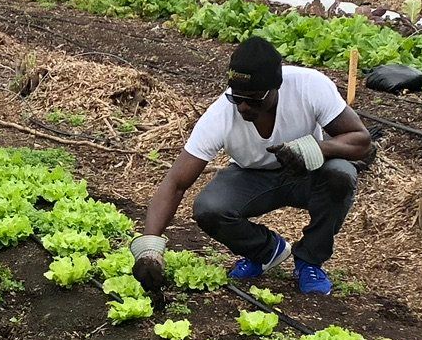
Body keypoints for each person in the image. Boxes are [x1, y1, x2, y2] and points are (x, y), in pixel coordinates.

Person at [131, 36, 373, 297]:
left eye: (255, 98)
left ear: (275, 87)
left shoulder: (309, 86)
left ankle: (310, 261)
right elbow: (175, 183)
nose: (244, 107)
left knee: (341, 174)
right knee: (210, 208)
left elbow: (361, 141)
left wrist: (315, 148)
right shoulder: (221, 115)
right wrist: (150, 247)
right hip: (252, 177)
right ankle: (267, 251)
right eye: (238, 97)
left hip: (306, 172)